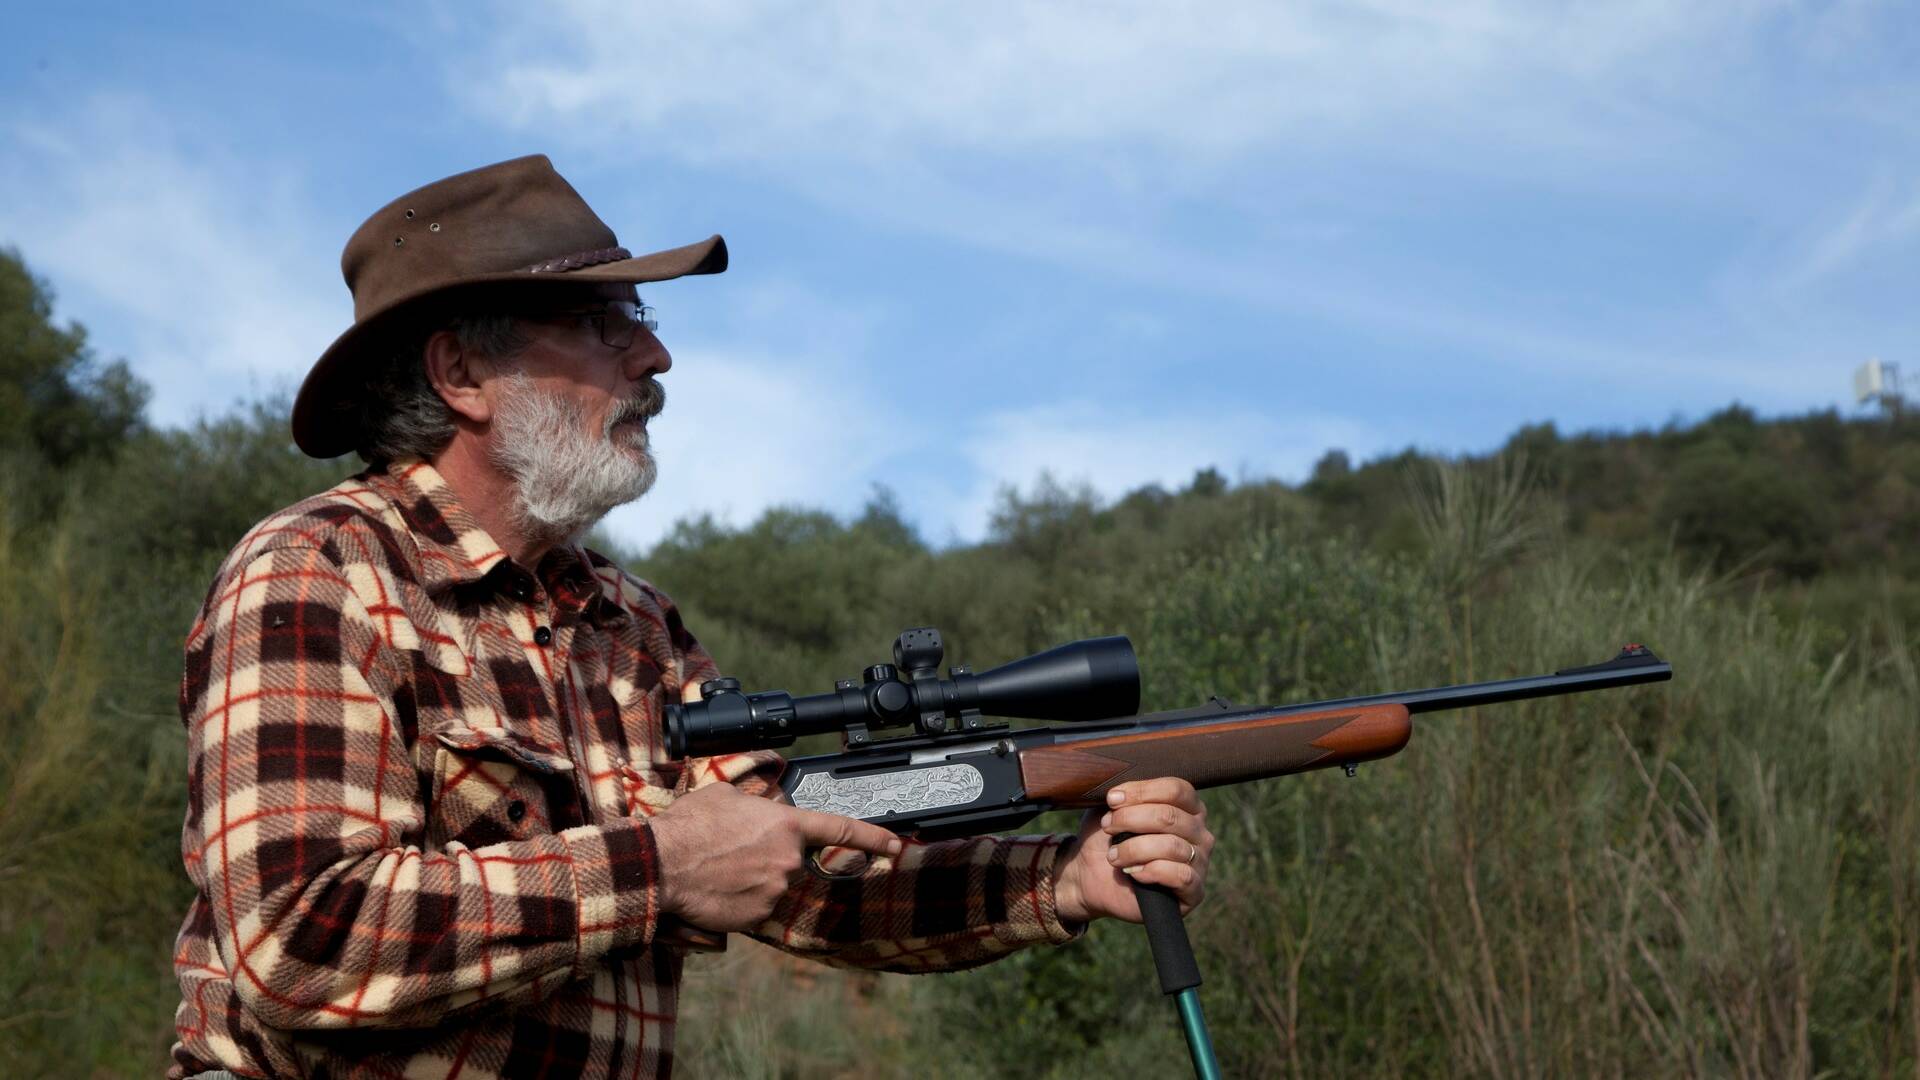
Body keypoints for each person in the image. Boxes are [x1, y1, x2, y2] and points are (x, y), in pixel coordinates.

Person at [168, 155, 1214, 1079]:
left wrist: (1065, 879)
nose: (652, 358)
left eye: (641, 319)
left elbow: (806, 881)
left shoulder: (635, 624)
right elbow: (302, 939)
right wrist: (660, 867)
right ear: (461, 374)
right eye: (597, 321)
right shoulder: (319, 569)